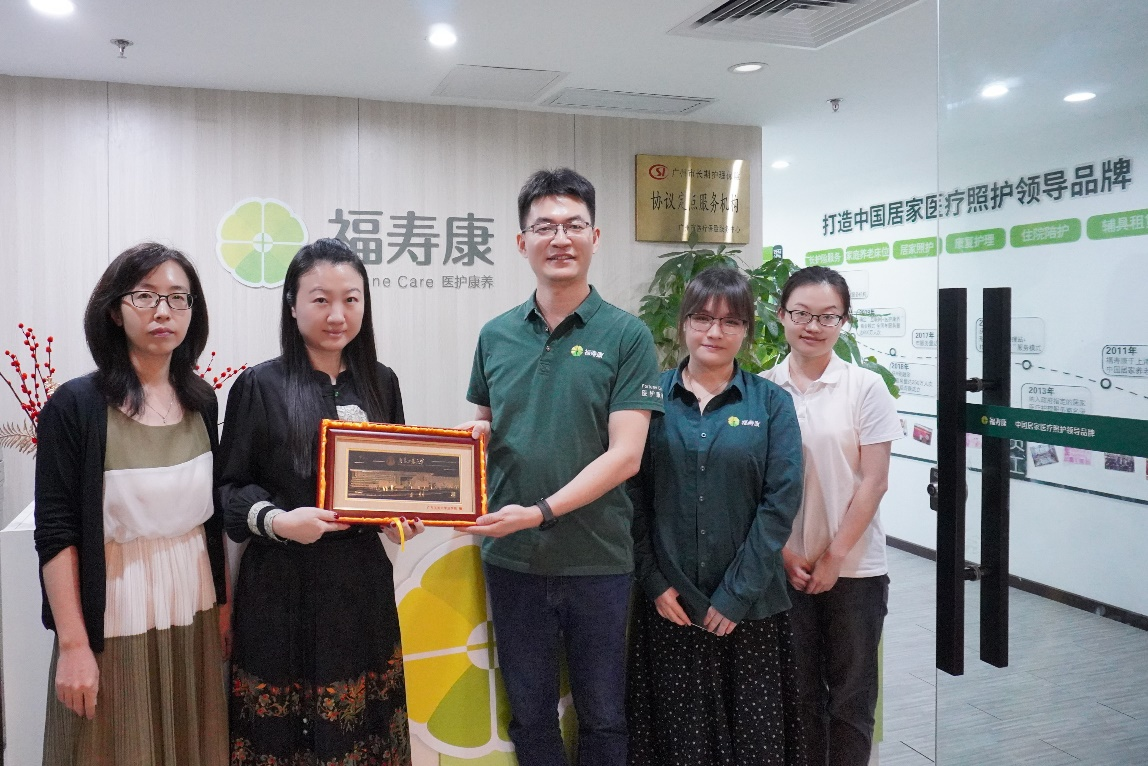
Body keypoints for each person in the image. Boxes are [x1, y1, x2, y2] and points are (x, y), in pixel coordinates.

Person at [461, 168, 663, 766]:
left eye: (574, 225)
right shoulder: (495, 335)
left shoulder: (627, 335)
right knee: (530, 715)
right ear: (521, 241)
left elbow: (626, 455)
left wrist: (539, 512)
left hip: (597, 558)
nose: (560, 238)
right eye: (544, 226)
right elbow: (482, 426)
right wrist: (462, 445)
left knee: (603, 716)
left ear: (594, 237)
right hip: (513, 560)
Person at [218, 238, 422, 765]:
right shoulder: (260, 385)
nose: (337, 315)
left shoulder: (382, 382)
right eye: (320, 299)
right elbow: (229, 490)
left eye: (351, 299)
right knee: (284, 733)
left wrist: (400, 515)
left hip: (359, 584)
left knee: (362, 725)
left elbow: (395, 477)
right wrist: (280, 521)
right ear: (292, 304)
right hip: (281, 586)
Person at [34, 242, 229, 764]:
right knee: (113, 745)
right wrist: (73, 645)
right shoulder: (75, 406)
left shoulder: (201, 400)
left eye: (178, 298)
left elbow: (211, 518)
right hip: (118, 605)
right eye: (145, 296)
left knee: (191, 741)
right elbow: (56, 533)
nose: (163, 311)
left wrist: (224, 607)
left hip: (192, 599)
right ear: (115, 312)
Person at [627, 266, 807, 766]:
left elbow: (780, 502)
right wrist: (654, 582)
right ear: (683, 323)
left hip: (750, 607)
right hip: (671, 605)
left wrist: (736, 594)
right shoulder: (648, 398)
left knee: (753, 742)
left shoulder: (771, 403)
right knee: (676, 742)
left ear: (747, 330)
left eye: (730, 321)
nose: (714, 331)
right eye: (702, 318)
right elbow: (631, 496)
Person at [759, 266, 902, 766]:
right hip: (786, 570)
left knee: (851, 699)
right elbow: (753, 486)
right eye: (801, 314)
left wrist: (834, 557)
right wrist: (783, 553)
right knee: (795, 698)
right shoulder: (762, 389)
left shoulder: (866, 387)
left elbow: (874, 481)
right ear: (781, 315)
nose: (813, 326)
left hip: (855, 569)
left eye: (827, 316)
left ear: (844, 321)